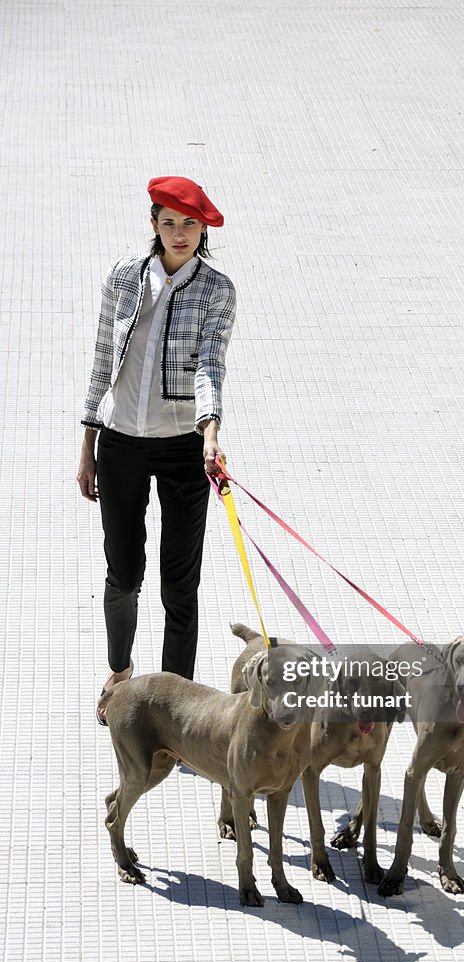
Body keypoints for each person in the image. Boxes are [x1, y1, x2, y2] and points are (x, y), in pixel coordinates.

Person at [76, 176, 237, 724]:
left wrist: (210, 432)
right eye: (168, 222)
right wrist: (88, 441)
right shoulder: (124, 278)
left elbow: (211, 365)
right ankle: (121, 675)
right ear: (153, 224)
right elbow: (103, 356)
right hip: (120, 441)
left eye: (189, 224)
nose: (178, 234)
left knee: (178, 581)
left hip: (183, 449)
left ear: (203, 229)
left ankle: (175, 707)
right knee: (123, 573)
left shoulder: (217, 291)